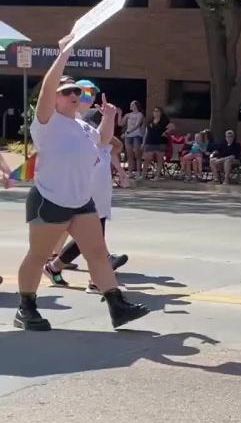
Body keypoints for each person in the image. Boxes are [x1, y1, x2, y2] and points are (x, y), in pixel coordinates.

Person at [15, 34, 148, 331]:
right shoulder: (46, 122)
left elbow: (102, 142)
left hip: (80, 200)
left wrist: (110, 117)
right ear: (54, 98)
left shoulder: (80, 125)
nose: (73, 94)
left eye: (76, 90)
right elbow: (49, 87)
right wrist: (63, 54)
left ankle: (116, 305)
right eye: (67, 91)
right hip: (50, 201)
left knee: (98, 253)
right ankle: (26, 307)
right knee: (37, 256)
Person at [45, 107, 130, 289]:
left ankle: (54, 267)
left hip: (101, 197)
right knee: (93, 239)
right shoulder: (80, 144)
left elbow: (116, 147)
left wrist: (122, 173)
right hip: (85, 196)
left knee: (88, 239)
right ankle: (96, 279)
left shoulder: (103, 144)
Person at [141, 107, 173, 179]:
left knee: (159, 159)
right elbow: (146, 132)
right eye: (154, 111)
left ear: (161, 113)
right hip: (150, 141)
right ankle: (143, 175)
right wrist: (143, 142)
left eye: (157, 111)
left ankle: (157, 175)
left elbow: (172, 127)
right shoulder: (150, 121)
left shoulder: (164, 121)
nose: (156, 113)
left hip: (160, 142)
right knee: (147, 159)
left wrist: (166, 132)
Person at [120, 100, 146, 177]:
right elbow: (120, 123)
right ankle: (130, 172)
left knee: (137, 154)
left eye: (132, 104)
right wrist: (119, 113)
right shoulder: (128, 115)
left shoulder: (140, 114)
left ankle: (138, 172)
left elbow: (137, 125)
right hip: (128, 137)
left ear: (136, 106)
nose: (131, 106)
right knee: (129, 154)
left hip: (136, 135)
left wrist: (128, 132)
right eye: (130, 104)